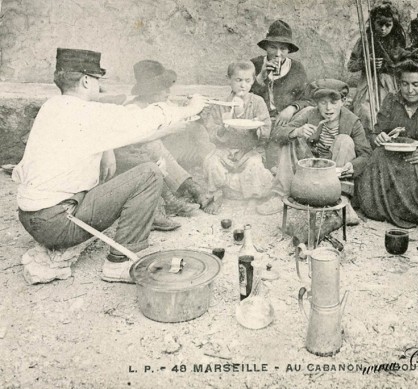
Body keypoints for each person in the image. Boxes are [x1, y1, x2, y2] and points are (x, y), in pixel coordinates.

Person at [12, 48, 208, 283]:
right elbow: (143, 120)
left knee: (122, 168)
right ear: (86, 81)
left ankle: (154, 216)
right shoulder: (87, 112)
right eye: (97, 80)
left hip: (31, 218)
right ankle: (119, 263)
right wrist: (190, 108)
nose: (99, 86)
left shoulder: (52, 106)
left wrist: (106, 150)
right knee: (150, 173)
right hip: (57, 222)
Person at [114, 60, 214, 230]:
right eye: (163, 88)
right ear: (149, 91)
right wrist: (168, 130)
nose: (168, 92)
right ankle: (179, 195)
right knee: (152, 144)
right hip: (131, 158)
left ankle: (194, 185)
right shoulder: (134, 109)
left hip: (156, 153)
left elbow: (176, 114)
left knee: (192, 131)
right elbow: (138, 138)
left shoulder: (160, 104)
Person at [257, 79, 371, 223]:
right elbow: (277, 133)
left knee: (345, 140)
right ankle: (280, 194)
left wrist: (352, 166)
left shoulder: (352, 121)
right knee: (291, 138)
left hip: (334, 176)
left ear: (343, 101)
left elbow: (366, 154)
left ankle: (343, 201)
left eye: (334, 103)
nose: (328, 108)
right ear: (317, 103)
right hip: (309, 171)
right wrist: (297, 131)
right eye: (323, 103)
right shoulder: (310, 114)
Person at [356, 50, 418, 228]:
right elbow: (375, 133)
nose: (410, 90)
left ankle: (415, 212)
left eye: (416, 84)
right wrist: (378, 137)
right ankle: (383, 209)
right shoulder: (391, 100)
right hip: (391, 160)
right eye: (404, 84)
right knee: (378, 155)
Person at [202, 60, 273, 213]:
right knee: (212, 161)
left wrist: (257, 127)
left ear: (253, 81)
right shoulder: (221, 104)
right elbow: (211, 130)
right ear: (229, 80)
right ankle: (216, 194)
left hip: (249, 150)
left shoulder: (257, 102)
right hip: (225, 149)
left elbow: (266, 129)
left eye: (247, 81)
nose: (243, 85)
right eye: (238, 80)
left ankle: (252, 198)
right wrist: (222, 128)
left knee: (254, 164)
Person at [250, 20, 311, 168]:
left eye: (283, 49)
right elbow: (245, 96)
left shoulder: (296, 68)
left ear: (288, 50)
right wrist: (260, 77)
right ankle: (277, 142)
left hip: (287, 120)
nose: (278, 54)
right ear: (266, 47)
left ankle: (280, 137)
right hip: (262, 118)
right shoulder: (254, 65)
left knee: (309, 111)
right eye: (273, 47)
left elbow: (307, 99)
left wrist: (291, 109)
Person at [348, 1, 406, 135]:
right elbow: (351, 65)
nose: (383, 28)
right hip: (369, 84)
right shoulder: (365, 40)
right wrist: (366, 63)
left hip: (390, 85)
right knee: (366, 114)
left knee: (389, 115)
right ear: (373, 22)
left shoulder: (397, 41)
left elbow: (404, 65)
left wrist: (387, 65)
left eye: (388, 25)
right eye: (380, 24)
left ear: (394, 24)